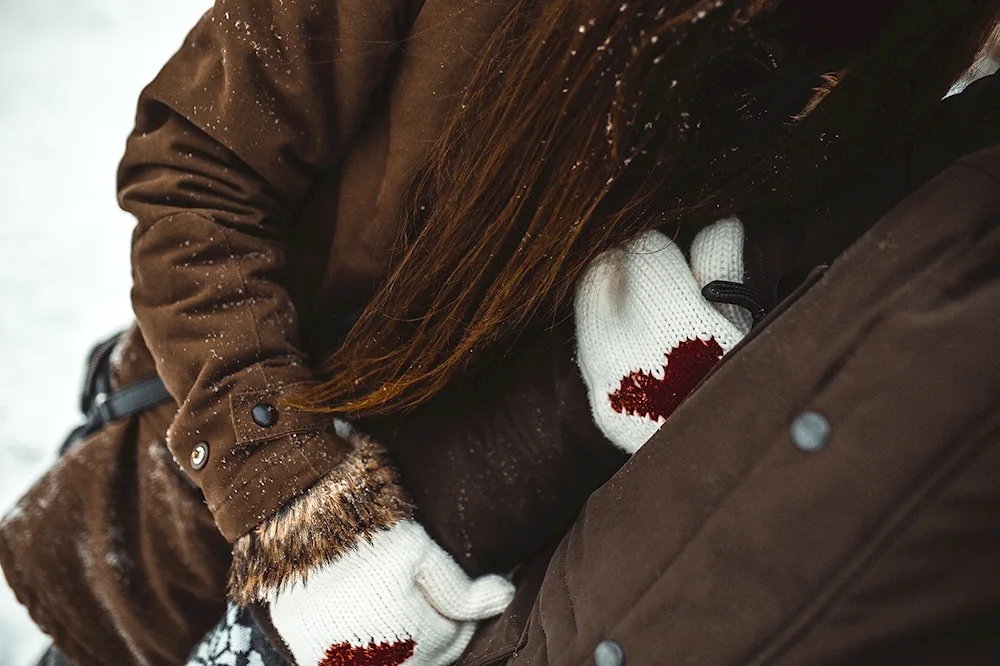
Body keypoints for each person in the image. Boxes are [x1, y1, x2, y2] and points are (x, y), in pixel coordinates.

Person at [4, 0, 1000, 664]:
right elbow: (195, 167)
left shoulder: (897, 55)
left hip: (470, 588)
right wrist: (301, 513)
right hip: (187, 522)